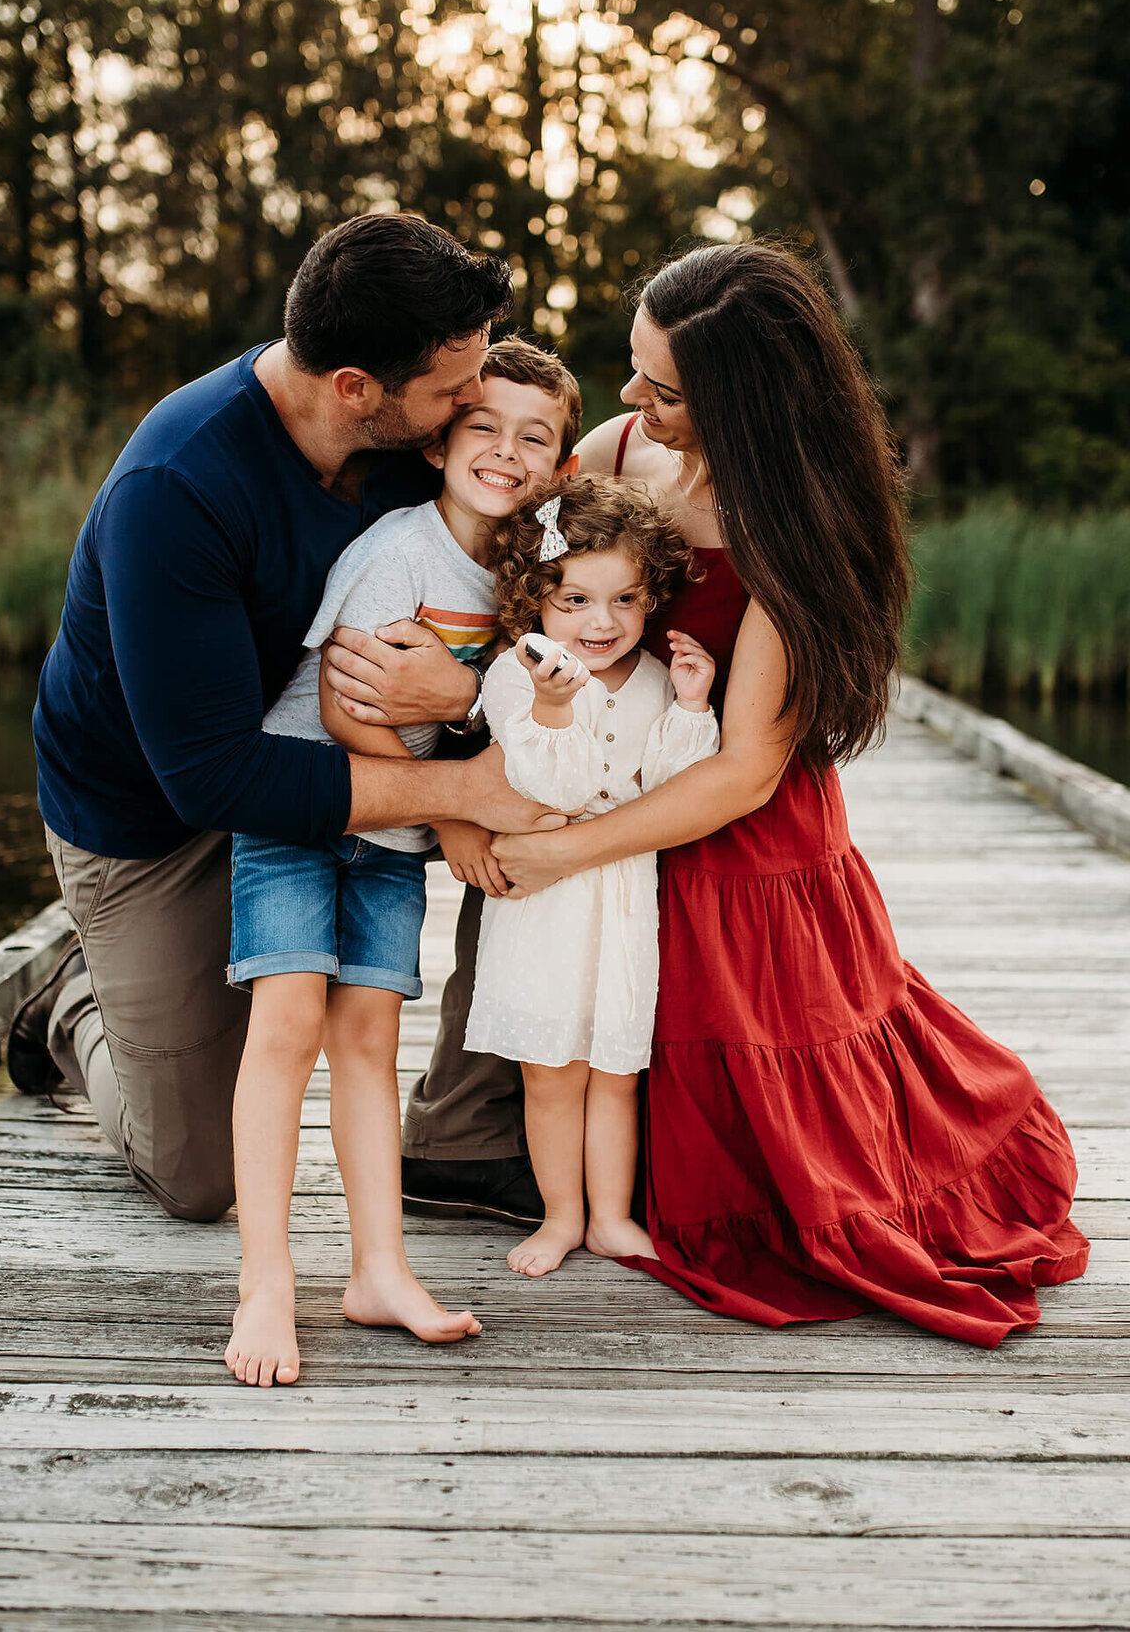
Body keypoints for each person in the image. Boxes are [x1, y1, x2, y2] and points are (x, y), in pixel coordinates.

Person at [421, 239, 1091, 1348]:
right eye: (636, 367)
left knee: (758, 1162)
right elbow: (505, 575)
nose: (634, 397)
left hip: (736, 838)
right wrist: (451, 755)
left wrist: (558, 852)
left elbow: (743, 771)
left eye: (665, 387)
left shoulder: (795, 525)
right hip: (608, 784)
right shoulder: (619, 449)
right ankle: (505, 1152)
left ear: (742, 404)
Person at [12, 215, 564, 1224]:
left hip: (334, 762)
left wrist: (471, 703)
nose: (473, 404)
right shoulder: (175, 489)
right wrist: (462, 790)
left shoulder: (420, 445)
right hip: (156, 818)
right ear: (355, 388)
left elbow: (566, 563)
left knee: (557, 818)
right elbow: (214, 779)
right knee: (197, 1176)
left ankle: (462, 1131)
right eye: (452, 389)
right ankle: (74, 1007)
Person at [223, 338, 580, 1385]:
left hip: (388, 840)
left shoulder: (524, 579)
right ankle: (266, 1281)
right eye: (483, 427)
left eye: (535, 438)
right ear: (438, 444)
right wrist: (457, 818)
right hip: (302, 804)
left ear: (559, 466)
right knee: (287, 1026)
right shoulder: (399, 551)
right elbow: (342, 702)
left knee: (371, 1041)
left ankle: (379, 1268)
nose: (506, 452)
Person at [461, 476, 719, 1278]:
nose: (600, 623)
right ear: (535, 598)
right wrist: (551, 705)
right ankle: (560, 1217)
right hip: (547, 901)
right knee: (550, 1074)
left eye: (625, 599)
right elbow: (557, 789)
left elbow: (677, 784)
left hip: (623, 901)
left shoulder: (649, 674)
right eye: (573, 600)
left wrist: (688, 706)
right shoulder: (515, 677)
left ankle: (610, 1216)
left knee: (614, 1070)